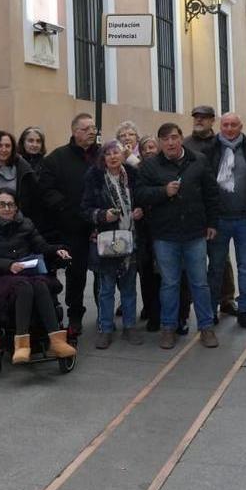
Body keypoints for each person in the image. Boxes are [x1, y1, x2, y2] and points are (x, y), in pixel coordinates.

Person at [137, 122, 220, 349]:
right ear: (160, 143)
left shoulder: (198, 160)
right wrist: (163, 192)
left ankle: (206, 328)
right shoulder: (150, 166)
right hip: (165, 234)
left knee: (200, 283)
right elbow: (140, 194)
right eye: (165, 139)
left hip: (195, 233)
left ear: (181, 138)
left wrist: (212, 223)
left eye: (174, 137)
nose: (170, 143)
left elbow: (211, 194)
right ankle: (168, 328)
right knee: (170, 283)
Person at [0, 189, 77, 364]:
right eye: (2, 204)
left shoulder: (26, 224)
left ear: (16, 207)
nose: (6, 208)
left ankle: (57, 341)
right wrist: (8, 265)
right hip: (0, 276)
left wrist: (58, 250)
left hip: (27, 273)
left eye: (11, 204)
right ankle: (21, 344)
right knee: (25, 286)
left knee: (39, 284)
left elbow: (42, 246)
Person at [38, 113, 100, 336]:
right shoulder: (57, 158)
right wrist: (66, 208)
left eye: (94, 128)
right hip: (71, 227)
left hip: (100, 225)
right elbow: (46, 190)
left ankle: (104, 314)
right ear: (75, 131)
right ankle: (75, 316)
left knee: (103, 273)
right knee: (76, 274)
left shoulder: (101, 155)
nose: (92, 132)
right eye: (86, 128)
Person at [81, 141, 145, 348]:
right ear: (103, 158)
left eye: (116, 152)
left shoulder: (134, 176)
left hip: (131, 239)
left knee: (129, 288)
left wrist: (140, 210)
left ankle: (129, 327)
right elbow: (84, 210)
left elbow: (143, 199)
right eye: (107, 154)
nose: (112, 157)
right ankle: (105, 329)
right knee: (106, 289)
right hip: (107, 240)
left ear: (122, 155)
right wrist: (102, 215)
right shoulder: (94, 177)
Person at [205, 112, 246, 329]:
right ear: (220, 126)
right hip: (219, 221)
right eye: (225, 125)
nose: (229, 128)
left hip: (245, 220)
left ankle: (244, 310)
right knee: (216, 267)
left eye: (233, 125)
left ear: (240, 126)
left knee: (245, 268)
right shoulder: (210, 151)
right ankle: (211, 309)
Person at [184, 105, 237, 317]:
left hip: (218, 208)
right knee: (191, 262)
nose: (199, 121)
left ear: (212, 120)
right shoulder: (185, 144)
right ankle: (188, 304)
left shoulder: (221, 143)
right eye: (196, 117)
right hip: (193, 210)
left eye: (204, 118)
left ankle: (226, 299)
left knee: (221, 259)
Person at [136, 135, 161, 330]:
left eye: (153, 146)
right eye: (145, 148)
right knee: (147, 274)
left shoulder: (165, 168)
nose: (149, 150)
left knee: (165, 273)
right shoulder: (136, 172)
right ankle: (152, 312)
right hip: (143, 230)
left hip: (163, 229)